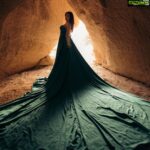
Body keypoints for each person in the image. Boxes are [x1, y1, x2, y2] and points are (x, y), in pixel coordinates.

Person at [0, 11, 150, 150]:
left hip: (65, 48)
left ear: (68, 18)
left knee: (66, 69)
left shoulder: (66, 26)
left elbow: (66, 39)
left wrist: (64, 50)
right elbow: (67, 38)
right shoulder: (68, 26)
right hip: (66, 48)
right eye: (65, 16)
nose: (65, 18)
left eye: (66, 16)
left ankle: (65, 80)